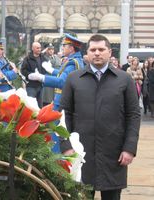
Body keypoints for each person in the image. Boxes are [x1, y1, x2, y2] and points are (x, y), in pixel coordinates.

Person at [60, 34, 140, 200]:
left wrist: (129, 148)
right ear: (87, 53)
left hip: (114, 153)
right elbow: (63, 114)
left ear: (109, 52)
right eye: (93, 49)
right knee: (79, 195)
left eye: (101, 49)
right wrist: (66, 145)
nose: (97, 53)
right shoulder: (74, 79)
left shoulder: (124, 79)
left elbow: (133, 115)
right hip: (80, 152)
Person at [27, 34, 84, 153]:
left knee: (56, 133)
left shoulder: (72, 62)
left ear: (71, 48)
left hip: (62, 102)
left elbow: (63, 81)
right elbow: (64, 75)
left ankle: (56, 158)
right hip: (65, 100)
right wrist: (52, 71)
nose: (62, 48)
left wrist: (42, 78)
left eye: (64, 45)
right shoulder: (75, 60)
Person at [21, 41, 46, 108]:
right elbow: (23, 70)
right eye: (37, 48)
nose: (39, 49)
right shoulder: (27, 59)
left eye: (40, 48)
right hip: (31, 86)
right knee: (31, 106)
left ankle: (39, 118)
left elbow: (46, 69)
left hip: (40, 85)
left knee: (40, 106)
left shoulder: (43, 58)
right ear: (33, 48)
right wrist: (30, 75)